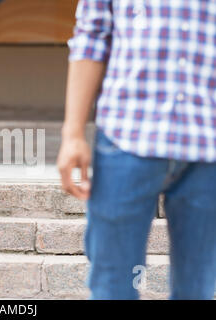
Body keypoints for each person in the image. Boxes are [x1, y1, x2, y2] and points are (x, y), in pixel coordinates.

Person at [57, 0, 215, 299]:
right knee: (113, 287)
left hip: (208, 143)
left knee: (199, 290)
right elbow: (91, 36)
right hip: (126, 137)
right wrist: (73, 133)